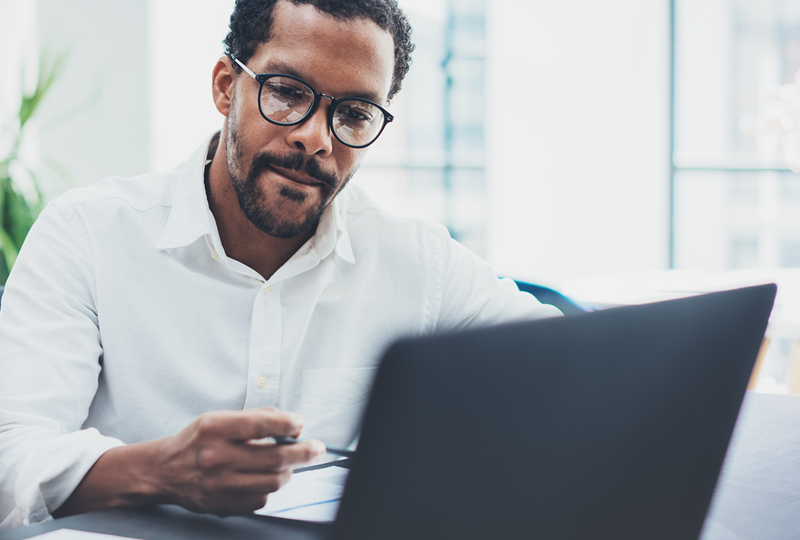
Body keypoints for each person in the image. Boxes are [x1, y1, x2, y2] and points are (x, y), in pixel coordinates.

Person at [0, 0, 560, 528]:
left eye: (355, 113)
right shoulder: (88, 234)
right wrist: (163, 471)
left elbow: (567, 371)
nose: (315, 138)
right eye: (288, 92)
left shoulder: (417, 260)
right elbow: (10, 456)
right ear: (226, 87)